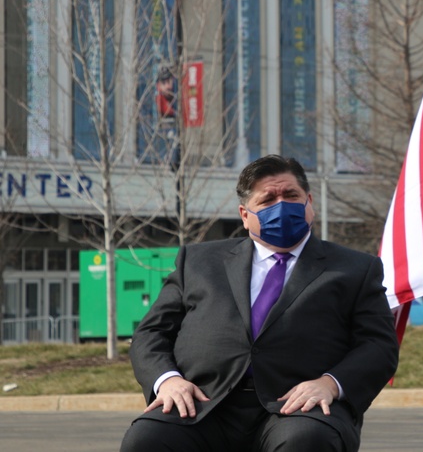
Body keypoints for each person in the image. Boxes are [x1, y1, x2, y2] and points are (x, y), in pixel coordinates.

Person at [121, 155, 399, 452]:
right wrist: (167, 380)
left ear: (310, 202)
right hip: (203, 405)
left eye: (291, 195)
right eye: (268, 199)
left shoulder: (355, 268)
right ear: (244, 215)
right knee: (146, 439)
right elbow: (151, 333)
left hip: (298, 408)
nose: (282, 205)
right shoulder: (198, 262)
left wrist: (330, 384)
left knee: (305, 441)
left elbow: (378, 345)